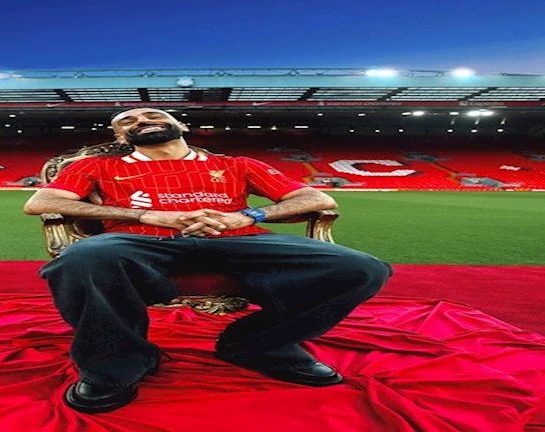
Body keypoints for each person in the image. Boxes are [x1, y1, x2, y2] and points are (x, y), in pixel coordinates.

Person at [23, 107, 393, 413]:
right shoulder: (98, 166)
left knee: (361, 268)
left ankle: (260, 344)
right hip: (140, 241)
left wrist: (248, 216)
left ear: (181, 126)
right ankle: (116, 365)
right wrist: (147, 215)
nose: (141, 121)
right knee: (81, 257)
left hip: (238, 239)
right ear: (120, 137)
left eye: (153, 115)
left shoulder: (238, 164)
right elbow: (41, 202)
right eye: (128, 121)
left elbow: (317, 199)